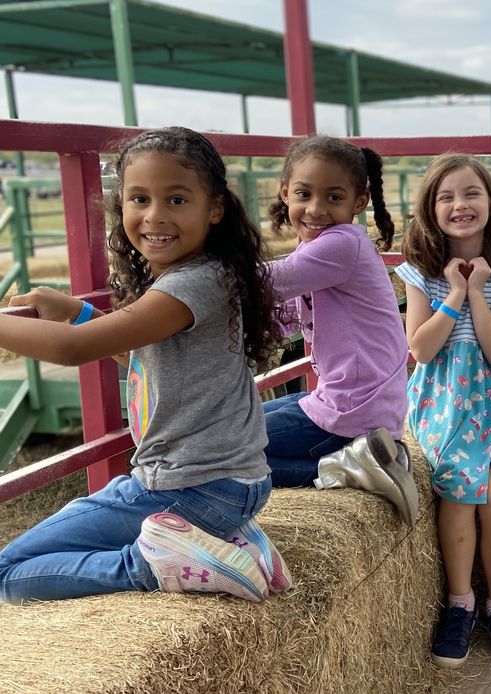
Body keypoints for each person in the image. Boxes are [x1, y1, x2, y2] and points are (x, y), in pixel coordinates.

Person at [0, 127, 292, 603]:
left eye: (176, 200)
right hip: (238, 485)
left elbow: (73, 350)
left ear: (214, 208)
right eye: (139, 199)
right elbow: (138, 352)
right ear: (122, 206)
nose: (154, 216)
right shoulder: (213, 273)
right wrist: (78, 311)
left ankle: (152, 565)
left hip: (193, 487)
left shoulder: (189, 285)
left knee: (6, 569)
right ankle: (233, 543)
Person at [396, 153, 491, 668]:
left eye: (471, 193)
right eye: (446, 196)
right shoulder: (419, 272)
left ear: (490, 203)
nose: (460, 205)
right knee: (458, 494)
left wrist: (479, 291)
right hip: (444, 402)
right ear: (430, 210)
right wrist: (454, 292)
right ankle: (461, 604)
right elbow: (421, 349)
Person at [264, 136, 417, 526]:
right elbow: (290, 316)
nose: (315, 209)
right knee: (239, 421)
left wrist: (195, 279)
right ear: (285, 193)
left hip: (353, 409)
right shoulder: (316, 247)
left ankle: (345, 469)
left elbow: (265, 282)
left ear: (359, 202)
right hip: (351, 401)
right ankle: (361, 457)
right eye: (303, 194)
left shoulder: (342, 244)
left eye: (333, 198)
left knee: (223, 450)